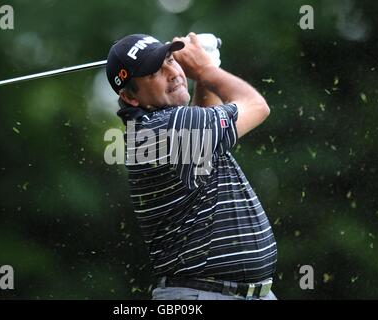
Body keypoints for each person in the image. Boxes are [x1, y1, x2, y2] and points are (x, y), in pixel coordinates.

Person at [105, 32, 278, 300]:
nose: (172, 72)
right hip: (201, 296)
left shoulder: (157, 127)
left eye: (170, 60)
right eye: (154, 73)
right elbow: (257, 106)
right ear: (131, 98)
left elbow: (204, 124)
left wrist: (204, 79)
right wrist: (206, 70)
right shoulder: (162, 130)